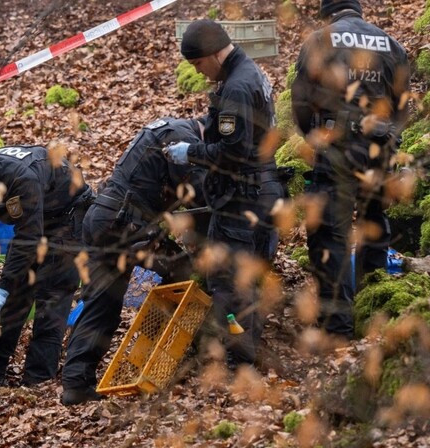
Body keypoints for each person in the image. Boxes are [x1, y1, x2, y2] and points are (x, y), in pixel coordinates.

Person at [61, 118, 208, 405]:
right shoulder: (181, 137)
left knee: (101, 304)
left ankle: (75, 384)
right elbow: (197, 195)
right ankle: (178, 348)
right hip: (125, 224)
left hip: (102, 218)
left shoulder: (162, 129)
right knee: (182, 272)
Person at [164, 20, 283, 370]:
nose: (200, 73)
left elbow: (232, 151)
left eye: (200, 64)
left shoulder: (236, 87)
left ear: (215, 53)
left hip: (241, 198)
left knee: (228, 281)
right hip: (264, 189)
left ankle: (236, 364)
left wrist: (192, 152)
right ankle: (246, 358)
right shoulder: (251, 74)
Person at [291, 0, 410, 339]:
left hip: (338, 148)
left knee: (331, 236)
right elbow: (403, 104)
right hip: (381, 148)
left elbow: (301, 99)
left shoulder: (320, 40)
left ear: (327, 12)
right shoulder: (391, 43)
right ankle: (376, 316)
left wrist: (313, 137)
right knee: (374, 226)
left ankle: (338, 330)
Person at [0, 147, 93, 386]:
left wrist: (2, 288)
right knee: (13, 298)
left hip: (66, 216)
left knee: (51, 297)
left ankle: (38, 380)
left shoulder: (19, 178)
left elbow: (29, 239)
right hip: (32, 220)